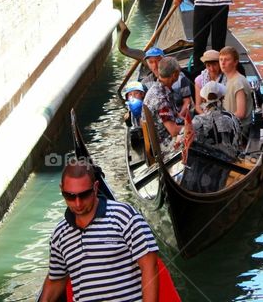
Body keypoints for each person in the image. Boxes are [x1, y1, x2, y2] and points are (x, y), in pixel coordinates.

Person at [39, 161, 159, 302]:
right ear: (62, 190)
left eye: (84, 195)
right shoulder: (59, 234)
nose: (77, 203)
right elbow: (56, 281)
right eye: (70, 196)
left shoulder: (124, 217)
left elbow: (149, 266)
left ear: (95, 187)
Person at [144, 57, 192, 142]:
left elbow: (175, 114)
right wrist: (191, 128)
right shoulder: (161, 98)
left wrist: (189, 123)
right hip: (164, 142)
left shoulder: (161, 88)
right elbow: (173, 131)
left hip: (161, 134)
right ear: (175, 74)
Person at [191, 82, 242, 162]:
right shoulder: (233, 118)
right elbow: (238, 144)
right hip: (232, 164)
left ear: (204, 100)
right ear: (222, 98)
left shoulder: (197, 121)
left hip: (209, 166)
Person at [219, 46, 254, 138]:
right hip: (232, 125)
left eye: (227, 60)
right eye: (221, 59)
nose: (223, 63)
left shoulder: (238, 83)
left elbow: (240, 113)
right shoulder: (228, 80)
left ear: (235, 62)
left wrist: (220, 122)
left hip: (240, 129)